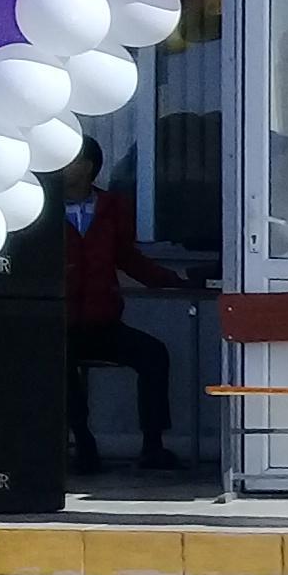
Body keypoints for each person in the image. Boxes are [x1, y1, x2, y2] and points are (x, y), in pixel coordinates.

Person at [62, 140, 183, 474]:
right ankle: (82, 441)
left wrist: (174, 280)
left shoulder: (112, 207)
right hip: (59, 323)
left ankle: (153, 445)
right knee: (57, 363)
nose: (61, 168)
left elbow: (128, 258)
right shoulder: (41, 209)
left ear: (88, 167)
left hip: (102, 322)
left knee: (154, 354)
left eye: (70, 161)